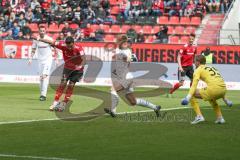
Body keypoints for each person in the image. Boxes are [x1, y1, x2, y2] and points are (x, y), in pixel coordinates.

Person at [104, 35, 161, 117]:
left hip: (127, 77)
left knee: (114, 89)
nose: (124, 43)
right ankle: (155, 107)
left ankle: (113, 111)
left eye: (125, 41)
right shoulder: (117, 50)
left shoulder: (127, 51)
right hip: (122, 77)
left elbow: (126, 59)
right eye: (122, 41)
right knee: (133, 102)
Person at [34, 36, 86, 111]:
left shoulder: (79, 48)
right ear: (65, 44)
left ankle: (64, 104)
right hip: (67, 68)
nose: (69, 48)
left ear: (73, 43)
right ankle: (55, 103)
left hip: (78, 70)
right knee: (63, 83)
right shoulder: (62, 45)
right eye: (68, 46)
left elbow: (84, 60)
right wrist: (39, 39)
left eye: (71, 46)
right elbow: (50, 42)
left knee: (71, 85)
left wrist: (79, 66)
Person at [181, 55, 232, 124]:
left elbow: (194, 85)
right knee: (211, 99)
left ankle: (199, 116)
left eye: (195, 61)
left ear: (198, 62)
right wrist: (225, 99)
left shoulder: (198, 70)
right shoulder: (212, 67)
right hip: (223, 90)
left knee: (192, 94)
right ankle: (220, 118)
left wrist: (187, 98)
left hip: (214, 90)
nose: (194, 63)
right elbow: (219, 82)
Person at [28, 25, 55, 101]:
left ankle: (44, 95)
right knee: (41, 79)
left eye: (43, 31)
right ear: (39, 31)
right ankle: (42, 94)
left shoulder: (48, 39)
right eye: (41, 31)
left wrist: (56, 58)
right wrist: (30, 58)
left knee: (44, 76)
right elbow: (33, 49)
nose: (42, 32)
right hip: (40, 60)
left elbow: (54, 45)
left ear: (45, 31)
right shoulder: (36, 39)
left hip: (48, 60)